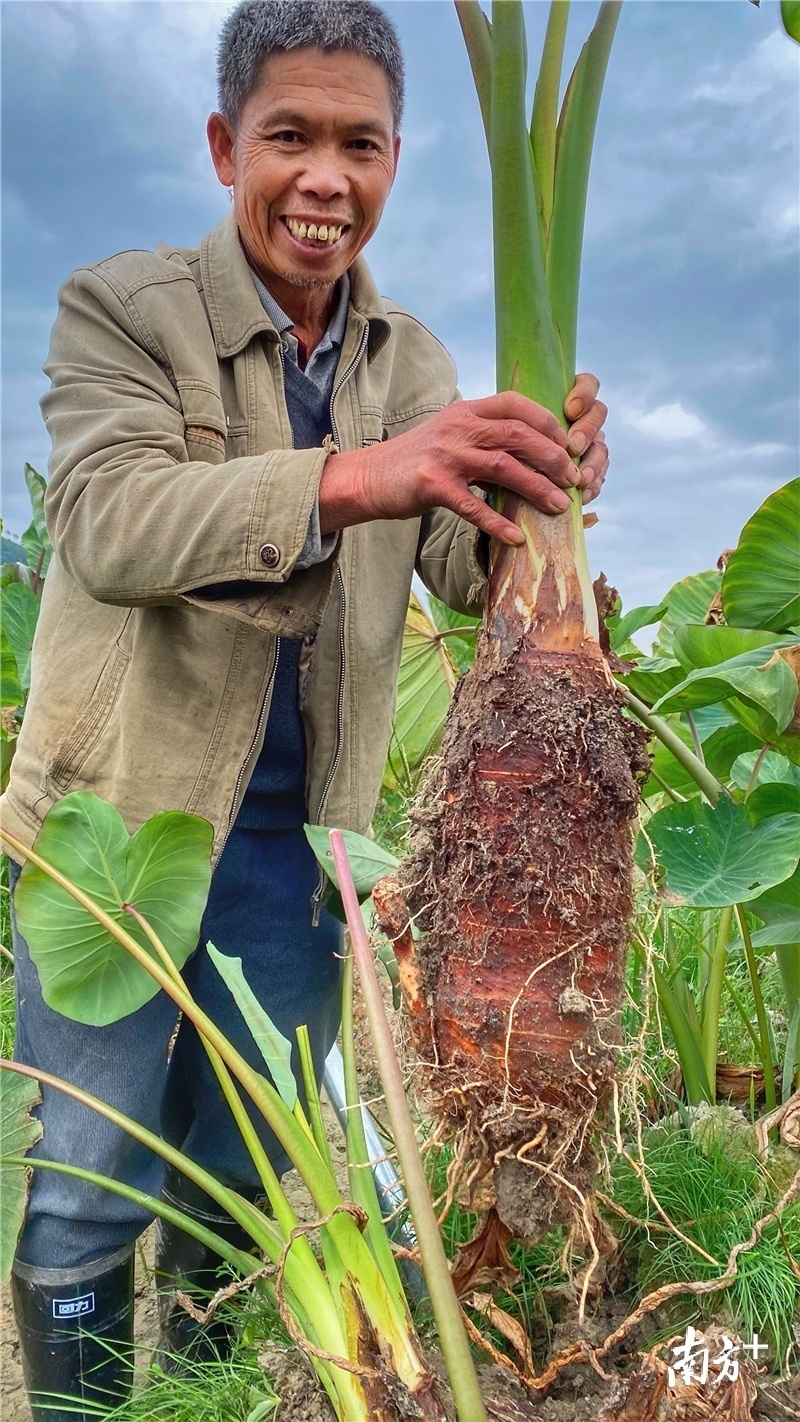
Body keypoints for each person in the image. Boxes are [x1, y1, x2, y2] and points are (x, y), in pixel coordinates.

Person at [1, 1, 609, 1415]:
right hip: (123, 825)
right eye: (291, 137)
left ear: (397, 159)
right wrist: (360, 475)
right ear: (227, 146)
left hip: (300, 852)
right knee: (93, 1184)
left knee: (242, 1185)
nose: (325, 179)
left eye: (360, 143)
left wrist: (548, 484)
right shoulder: (124, 307)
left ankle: (201, 1400)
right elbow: (108, 523)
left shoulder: (413, 361)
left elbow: (460, 564)